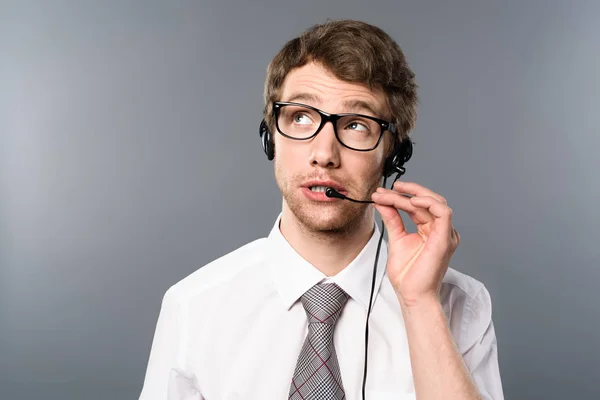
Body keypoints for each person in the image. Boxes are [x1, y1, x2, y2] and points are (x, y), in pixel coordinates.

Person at [139, 19, 504, 400]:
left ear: (393, 155)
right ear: (270, 139)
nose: (324, 155)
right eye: (300, 117)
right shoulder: (194, 305)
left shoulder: (459, 303)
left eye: (357, 125)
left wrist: (420, 303)